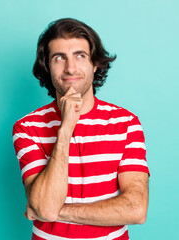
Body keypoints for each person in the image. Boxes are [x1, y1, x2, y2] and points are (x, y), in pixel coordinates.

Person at [12, 18, 150, 240]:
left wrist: (58, 211)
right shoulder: (28, 127)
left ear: (94, 64)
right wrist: (65, 127)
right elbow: (46, 210)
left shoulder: (126, 123)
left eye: (80, 55)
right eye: (59, 58)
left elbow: (136, 209)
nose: (70, 68)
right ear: (47, 66)